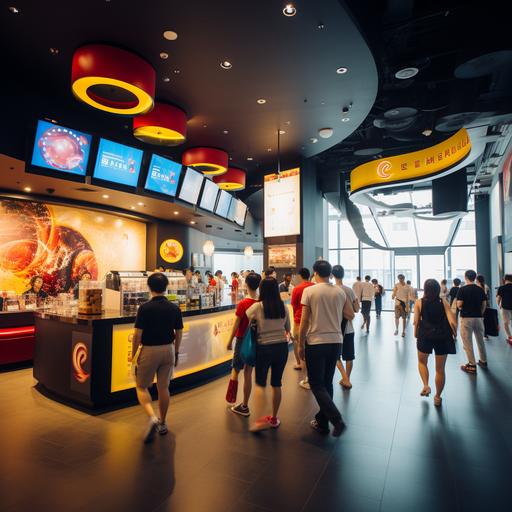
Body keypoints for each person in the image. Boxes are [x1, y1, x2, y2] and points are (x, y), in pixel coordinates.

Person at [298, 260, 354, 437]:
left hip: (316, 341)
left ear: (315, 273)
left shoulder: (309, 291)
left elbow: (305, 320)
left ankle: (336, 419)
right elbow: (350, 314)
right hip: (336, 341)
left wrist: (300, 344)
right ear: (330, 274)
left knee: (315, 383)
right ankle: (322, 421)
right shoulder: (339, 291)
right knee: (327, 381)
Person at [132, 273, 183, 443]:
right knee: (163, 388)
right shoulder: (174, 308)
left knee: (141, 386)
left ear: (149, 287)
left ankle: (152, 417)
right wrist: (176, 352)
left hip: (150, 350)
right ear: (166, 286)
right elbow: (179, 332)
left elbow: (137, 334)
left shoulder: (144, 308)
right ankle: (163, 422)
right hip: (168, 349)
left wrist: (134, 355)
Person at [246, 278, 291, 431]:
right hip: (282, 348)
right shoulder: (284, 307)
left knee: (260, 383)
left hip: (264, 348)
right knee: (277, 383)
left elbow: (245, 316)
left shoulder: (257, 306)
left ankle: (259, 420)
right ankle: (273, 418)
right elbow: (288, 329)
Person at [414, 279, 457, 407]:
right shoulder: (443, 302)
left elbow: (416, 321)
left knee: (422, 362)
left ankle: (426, 385)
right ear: (438, 289)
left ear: (425, 289)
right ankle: (437, 397)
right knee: (440, 370)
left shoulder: (419, 302)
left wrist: (416, 334)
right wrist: (454, 333)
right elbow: (452, 322)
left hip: (425, 336)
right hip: (442, 337)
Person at [225, 272, 261, 415]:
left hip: (241, 340)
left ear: (246, 284)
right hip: (255, 340)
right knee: (248, 372)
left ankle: (231, 397)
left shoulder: (244, 303)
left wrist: (229, 341)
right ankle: (245, 404)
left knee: (235, 368)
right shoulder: (260, 302)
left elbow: (236, 325)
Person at [333, 265, 359, 389]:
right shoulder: (349, 290)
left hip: (335, 328)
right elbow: (356, 309)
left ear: (332, 275)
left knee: (336, 355)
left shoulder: (332, 290)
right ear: (343, 275)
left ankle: (344, 377)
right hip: (348, 328)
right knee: (349, 355)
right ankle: (347, 377)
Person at [457, 269, 488, 374]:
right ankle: (483, 361)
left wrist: (461, 308)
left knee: (468, 342)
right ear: (474, 278)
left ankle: (472, 365)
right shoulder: (480, 289)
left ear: (465, 277)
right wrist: (481, 313)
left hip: (466, 318)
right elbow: (484, 304)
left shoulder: (462, 289)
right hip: (478, 318)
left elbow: (459, 304)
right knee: (480, 341)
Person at [290, 267, 314, 379]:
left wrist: (295, 316)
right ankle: (309, 366)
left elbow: (294, 306)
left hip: (299, 319)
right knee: (310, 343)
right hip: (313, 320)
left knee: (298, 341)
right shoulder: (314, 287)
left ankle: (299, 363)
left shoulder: (297, 288)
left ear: (300, 276)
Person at [496, 274, 512, 344]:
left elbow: (498, 299)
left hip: (505, 308)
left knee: (506, 323)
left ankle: (510, 337)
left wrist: (499, 305)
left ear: (505, 279)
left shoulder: (501, 288)